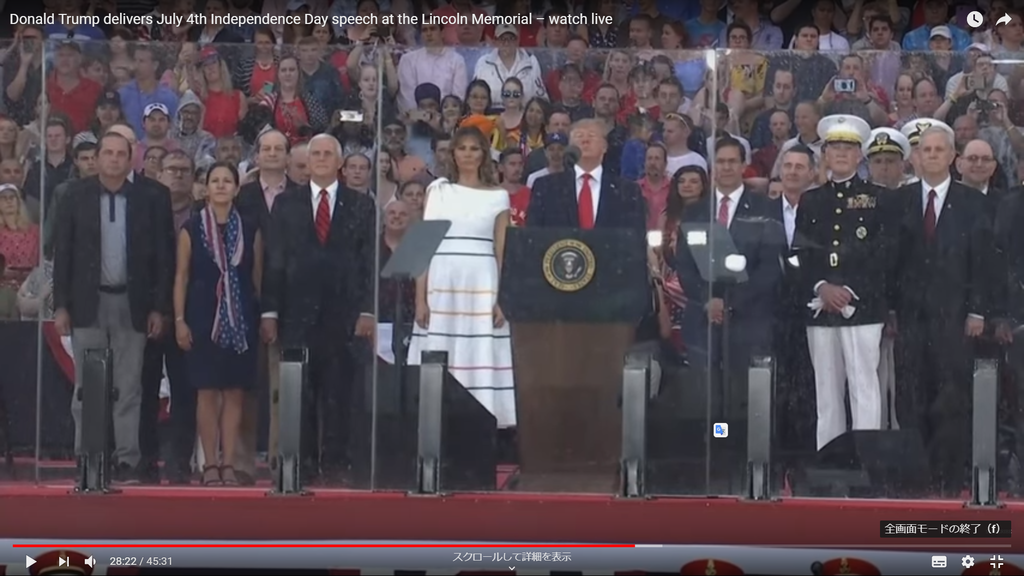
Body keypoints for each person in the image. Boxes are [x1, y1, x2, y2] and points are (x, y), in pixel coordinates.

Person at [52, 132, 173, 484]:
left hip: (132, 304)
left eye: (122, 154)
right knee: (86, 388)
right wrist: (61, 305)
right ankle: (87, 455)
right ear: (97, 157)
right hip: (88, 303)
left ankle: (126, 460)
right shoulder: (75, 196)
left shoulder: (148, 198)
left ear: (131, 158)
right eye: (108, 153)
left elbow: (161, 259)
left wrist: (157, 307)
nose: (115, 159)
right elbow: (64, 255)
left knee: (129, 387)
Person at [261, 133, 376, 485]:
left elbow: (368, 262)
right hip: (298, 312)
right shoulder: (286, 203)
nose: (323, 159)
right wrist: (270, 312)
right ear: (307, 163)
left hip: (344, 315)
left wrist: (367, 311)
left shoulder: (361, 204)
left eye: (329, 154)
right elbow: (275, 260)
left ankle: (337, 462)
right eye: (317, 154)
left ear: (340, 163)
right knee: (301, 391)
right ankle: (304, 464)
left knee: (339, 392)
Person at [674, 136, 784, 492]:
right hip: (705, 322)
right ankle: (714, 456)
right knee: (711, 394)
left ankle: (746, 460)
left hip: (749, 320)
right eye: (719, 161)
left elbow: (770, 267)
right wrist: (708, 301)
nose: (725, 167)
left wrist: (731, 302)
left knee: (744, 393)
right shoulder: (694, 211)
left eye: (732, 161)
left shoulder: (764, 208)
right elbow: (685, 266)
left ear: (743, 165)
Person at [892, 124, 994, 495]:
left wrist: (978, 312)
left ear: (954, 157)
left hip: (956, 316)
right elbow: (891, 261)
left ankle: (948, 481)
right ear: (916, 157)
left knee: (951, 399)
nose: (932, 155)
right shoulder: (900, 201)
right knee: (912, 397)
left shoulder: (974, 202)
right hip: (910, 318)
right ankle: (916, 480)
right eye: (925, 150)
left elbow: (983, 262)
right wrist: (891, 311)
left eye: (939, 150)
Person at [793, 115, 895, 452]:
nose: (840, 152)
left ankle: (868, 462)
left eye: (848, 147)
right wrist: (821, 286)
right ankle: (829, 461)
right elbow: (799, 254)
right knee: (827, 391)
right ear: (824, 153)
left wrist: (849, 290)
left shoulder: (878, 197)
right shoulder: (811, 200)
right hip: (819, 307)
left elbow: (884, 254)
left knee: (864, 387)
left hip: (862, 307)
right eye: (834, 146)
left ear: (859, 156)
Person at [407, 126, 516, 429]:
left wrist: (501, 299)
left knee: (478, 352)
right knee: (440, 351)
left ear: (484, 155)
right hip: (442, 285)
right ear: (453, 153)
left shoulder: (499, 197)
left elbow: (502, 251)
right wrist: (420, 299)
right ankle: (434, 424)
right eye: (462, 148)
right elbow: (423, 247)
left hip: (483, 283)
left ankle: (479, 424)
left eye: (474, 148)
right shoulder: (437, 190)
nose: (467, 154)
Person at [174, 162, 262, 487]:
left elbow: (257, 279)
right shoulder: (191, 228)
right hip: (201, 316)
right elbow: (181, 277)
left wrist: (261, 317)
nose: (222, 186)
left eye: (228, 181)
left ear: (237, 189)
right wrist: (180, 320)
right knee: (207, 392)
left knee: (235, 392)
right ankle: (210, 463)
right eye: (215, 181)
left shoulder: (250, 228)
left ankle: (229, 463)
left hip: (240, 319)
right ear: (206, 188)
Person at [234, 129, 299, 479]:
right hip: (244, 298)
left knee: (282, 387)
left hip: (289, 302)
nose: (272, 154)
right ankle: (242, 463)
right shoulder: (241, 196)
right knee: (245, 384)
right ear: (256, 155)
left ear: (288, 156)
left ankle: (280, 461)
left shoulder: (301, 195)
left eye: (279, 148)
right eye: (266, 148)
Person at [863, 127, 912, 432]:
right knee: (872, 380)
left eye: (891, 161)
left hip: (910, 302)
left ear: (903, 164)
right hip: (870, 302)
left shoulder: (913, 199)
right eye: (878, 161)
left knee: (905, 379)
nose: (884, 167)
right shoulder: (859, 201)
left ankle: (902, 438)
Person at [526, 118, 645, 233]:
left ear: (605, 146)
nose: (585, 141)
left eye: (592, 135)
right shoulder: (546, 187)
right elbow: (533, 234)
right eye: (579, 136)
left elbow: (635, 239)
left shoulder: (627, 191)